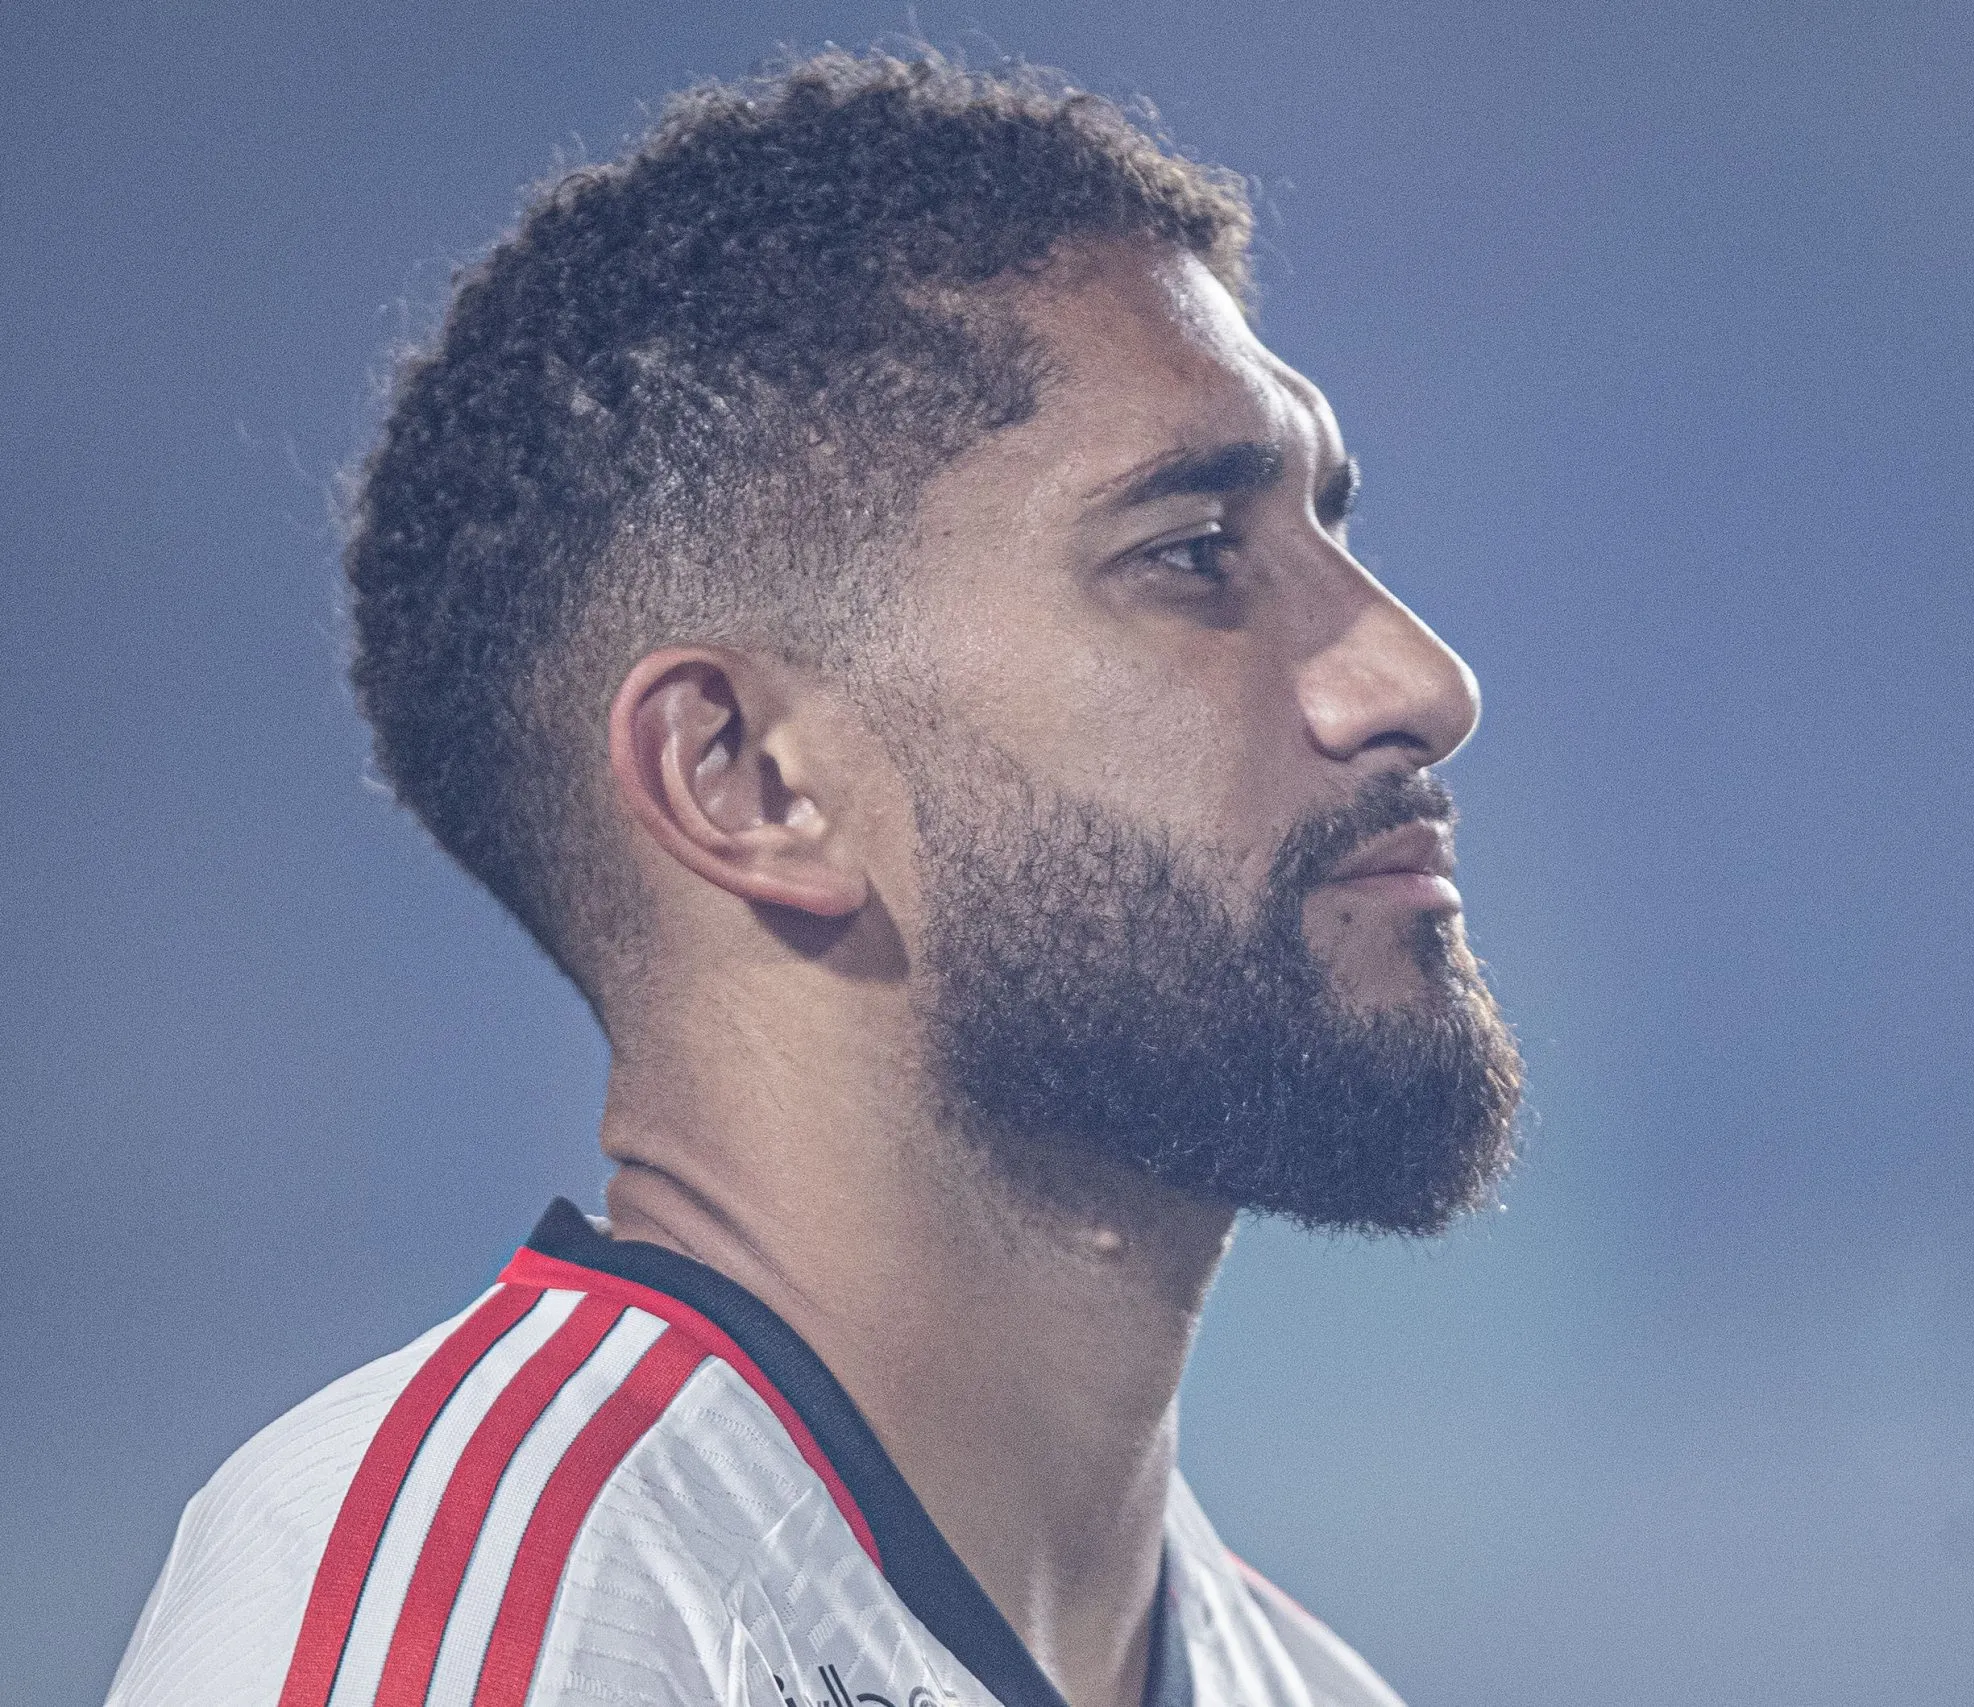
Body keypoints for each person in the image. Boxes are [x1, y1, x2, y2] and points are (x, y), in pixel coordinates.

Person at [106, 49, 1523, 1707]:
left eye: (1330, 530)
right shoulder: (497, 1607)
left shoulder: (1315, 1684)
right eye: (1193, 555)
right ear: (750, 780)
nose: (1418, 679)